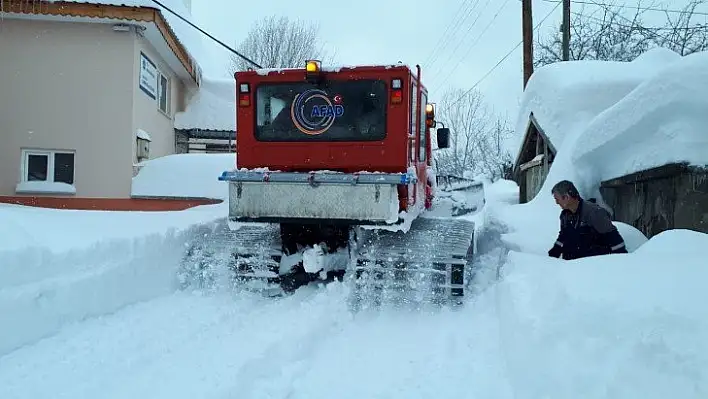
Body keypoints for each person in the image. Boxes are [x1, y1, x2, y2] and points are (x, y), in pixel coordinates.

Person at [547, 180, 627, 260]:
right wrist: (554, 252)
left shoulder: (594, 213)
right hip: (571, 266)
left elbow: (614, 240)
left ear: (567, 197)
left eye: (557, 199)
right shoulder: (565, 216)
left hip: (592, 266)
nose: (557, 202)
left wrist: (620, 263)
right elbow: (563, 236)